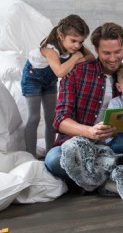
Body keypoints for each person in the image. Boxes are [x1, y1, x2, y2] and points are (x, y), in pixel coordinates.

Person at [44, 22, 123, 182]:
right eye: (106, 53)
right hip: (83, 141)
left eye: (118, 52)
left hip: (122, 142)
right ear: (96, 50)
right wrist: (90, 132)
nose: (113, 59)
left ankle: (117, 167)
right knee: (54, 160)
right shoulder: (76, 73)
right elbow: (60, 121)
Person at [21, 14, 93, 158]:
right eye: (73, 41)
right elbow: (60, 72)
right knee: (34, 117)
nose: (77, 46)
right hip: (33, 78)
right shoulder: (49, 49)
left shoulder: (73, 45)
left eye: (81, 42)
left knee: (51, 118)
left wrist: (74, 59)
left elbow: (91, 58)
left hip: (50, 81)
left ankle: (49, 153)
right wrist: (75, 57)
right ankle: (29, 155)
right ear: (61, 35)